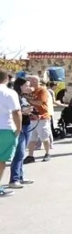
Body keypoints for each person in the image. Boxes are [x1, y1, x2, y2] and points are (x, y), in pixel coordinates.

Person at [8, 77, 35, 189]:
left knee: (22, 153)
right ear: (20, 86)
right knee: (19, 154)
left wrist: (31, 112)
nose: (28, 87)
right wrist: (25, 112)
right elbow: (15, 112)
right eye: (26, 85)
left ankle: (20, 177)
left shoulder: (23, 97)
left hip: (26, 125)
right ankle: (14, 179)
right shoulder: (15, 97)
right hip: (20, 127)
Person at [0, 69, 21, 197]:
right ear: (6, 78)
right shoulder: (9, 93)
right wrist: (18, 129)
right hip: (5, 129)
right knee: (1, 159)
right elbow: (16, 112)